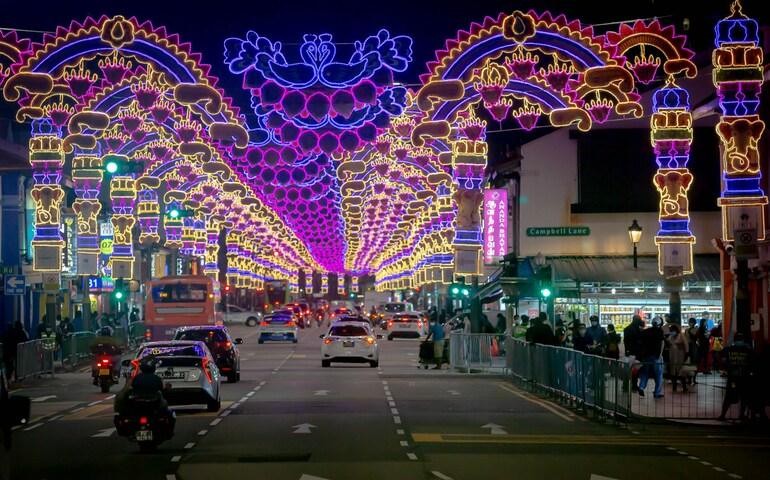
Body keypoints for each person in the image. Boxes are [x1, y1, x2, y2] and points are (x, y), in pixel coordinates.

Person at [718, 333, 754, 421]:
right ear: (743, 339)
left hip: (733, 378)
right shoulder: (748, 349)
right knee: (744, 396)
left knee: (729, 396)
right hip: (744, 377)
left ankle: (723, 415)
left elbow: (723, 361)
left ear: (734, 339)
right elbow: (752, 362)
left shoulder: (728, 349)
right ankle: (741, 415)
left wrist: (729, 368)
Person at [638, 316, 665, 398]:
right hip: (656, 356)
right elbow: (662, 343)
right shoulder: (660, 332)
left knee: (645, 372)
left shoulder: (646, 331)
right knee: (658, 374)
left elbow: (640, 342)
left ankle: (641, 387)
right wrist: (660, 354)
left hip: (646, 356)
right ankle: (657, 393)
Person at [667, 324, 689, 393]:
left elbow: (686, 345)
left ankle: (684, 387)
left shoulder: (681, 335)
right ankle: (674, 387)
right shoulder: (670, 337)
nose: (671, 332)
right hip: (672, 356)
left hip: (680, 356)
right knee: (673, 372)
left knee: (681, 372)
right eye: (670, 331)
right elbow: (668, 343)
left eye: (672, 330)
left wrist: (687, 353)